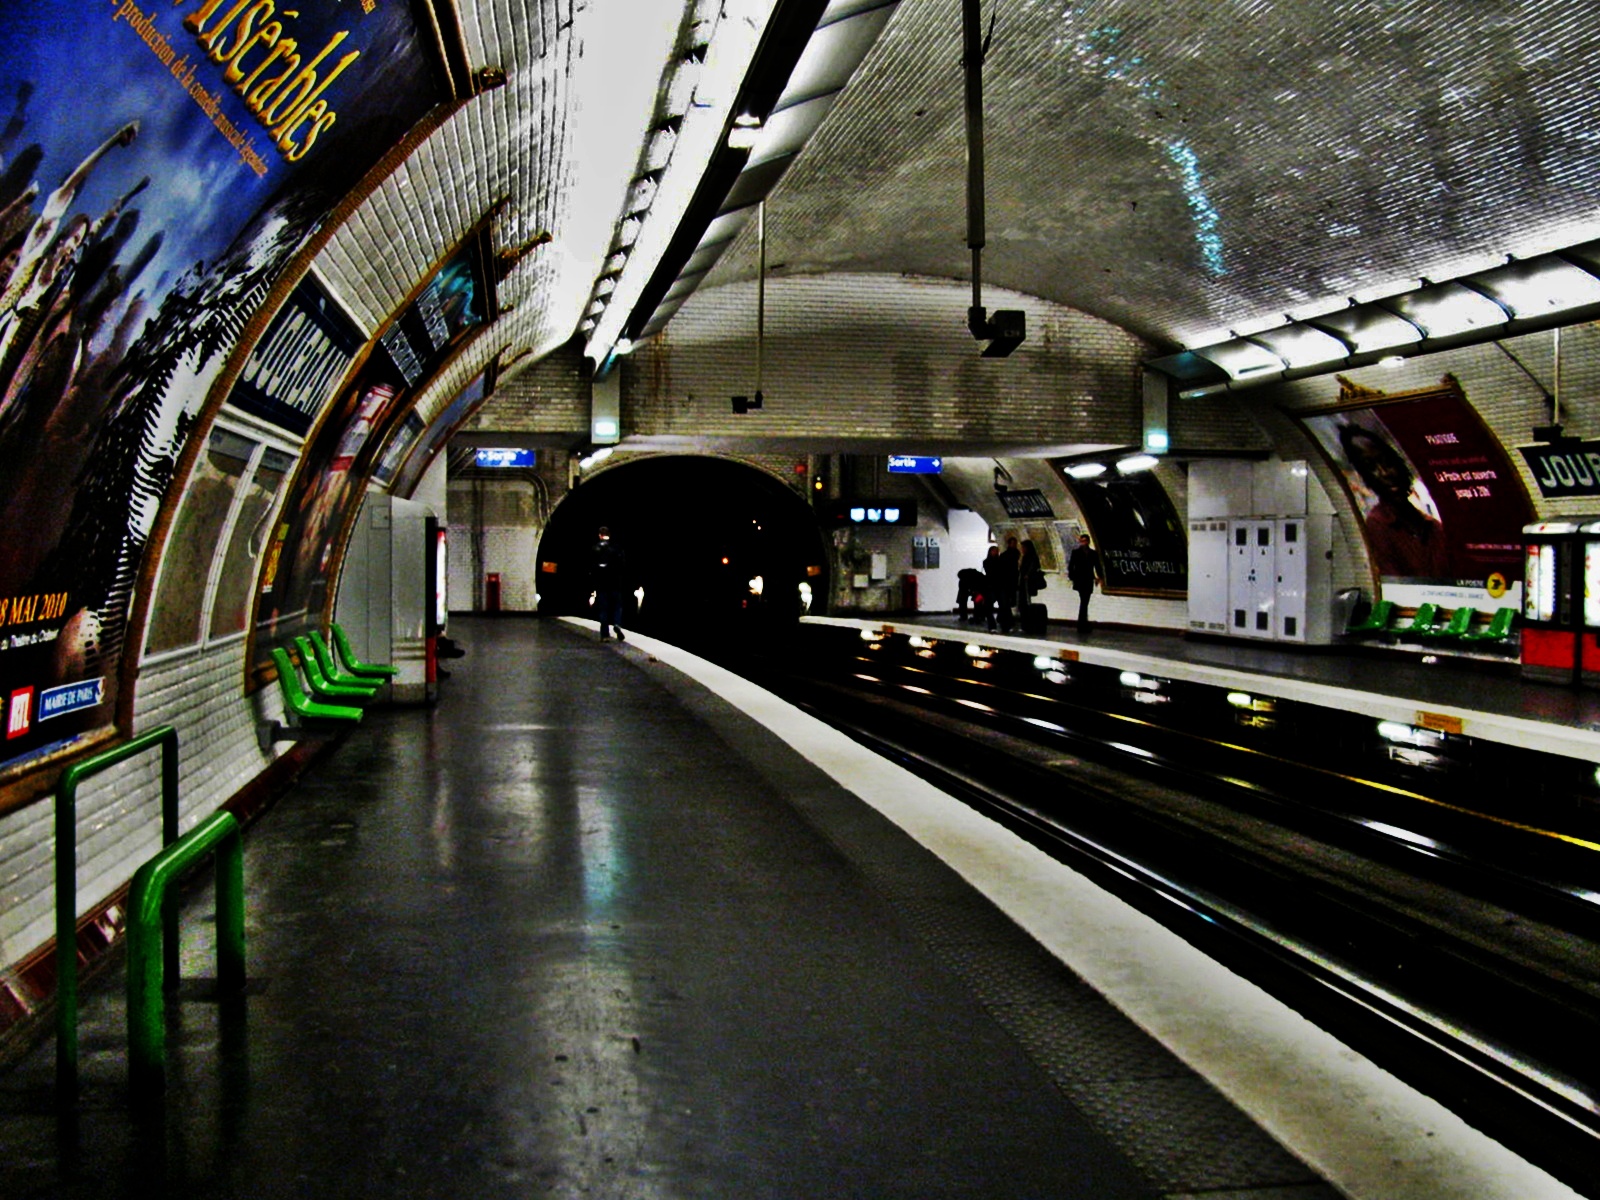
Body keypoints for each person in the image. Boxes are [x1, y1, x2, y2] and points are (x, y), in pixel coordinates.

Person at [1338, 422, 1451, 579]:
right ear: (1365, 477)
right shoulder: (1378, 526)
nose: (1384, 473)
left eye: (1387, 462)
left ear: (1398, 462)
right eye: (1371, 467)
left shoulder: (1433, 527)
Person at [591, 525, 627, 641]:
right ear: (609, 535)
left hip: (601, 584)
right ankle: (617, 623)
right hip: (615, 583)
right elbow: (622, 565)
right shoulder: (616, 548)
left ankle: (605, 635)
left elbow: (592, 568)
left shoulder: (595, 548)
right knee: (617, 606)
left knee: (604, 609)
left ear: (599, 535)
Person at [1067, 533, 1104, 634]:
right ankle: (1082, 624)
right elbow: (1071, 566)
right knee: (1084, 601)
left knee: (1084, 601)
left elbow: (1097, 566)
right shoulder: (1076, 553)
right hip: (1080, 579)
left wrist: (1099, 577)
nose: (1083, 543)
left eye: (1085, 541)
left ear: (1088, 541)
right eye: (1082, 541)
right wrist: (1073, 577)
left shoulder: (1093, 553)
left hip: (1088, 579)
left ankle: (1082, 623)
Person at [987, 535, 1020, 632]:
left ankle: (1005, 625)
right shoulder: (991, 561)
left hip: (1001, 586)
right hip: (993, 586)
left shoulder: (1002, 559)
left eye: (997, 551)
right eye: (994, 551)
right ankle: (994, 625)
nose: (996, 552)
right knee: (995, 606)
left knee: (1004, 606)